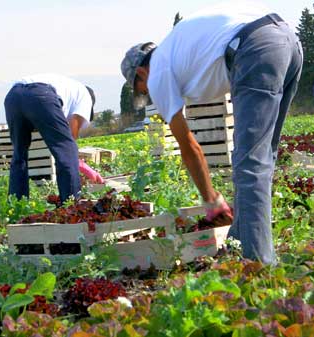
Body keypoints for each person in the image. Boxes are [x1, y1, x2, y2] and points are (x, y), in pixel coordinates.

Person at [120, 3, 303, 265]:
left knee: (249, 162)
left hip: (255, 48)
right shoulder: (177, 50)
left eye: (140, 88)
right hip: (288, 40)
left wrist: (211, 199)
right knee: (263, 157)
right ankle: (241, 242)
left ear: (140, 72)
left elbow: (189, 147)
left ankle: (259, 266)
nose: (145, 92)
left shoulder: (158, 71)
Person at [4, 73, 104, 204]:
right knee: (67, 150)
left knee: (19, 155)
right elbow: (69, 139)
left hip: (13, 96)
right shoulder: (85, 97)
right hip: (40, 94)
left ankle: (16, 206)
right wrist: (78, 163)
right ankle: (71, 206)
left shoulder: (68, 88)